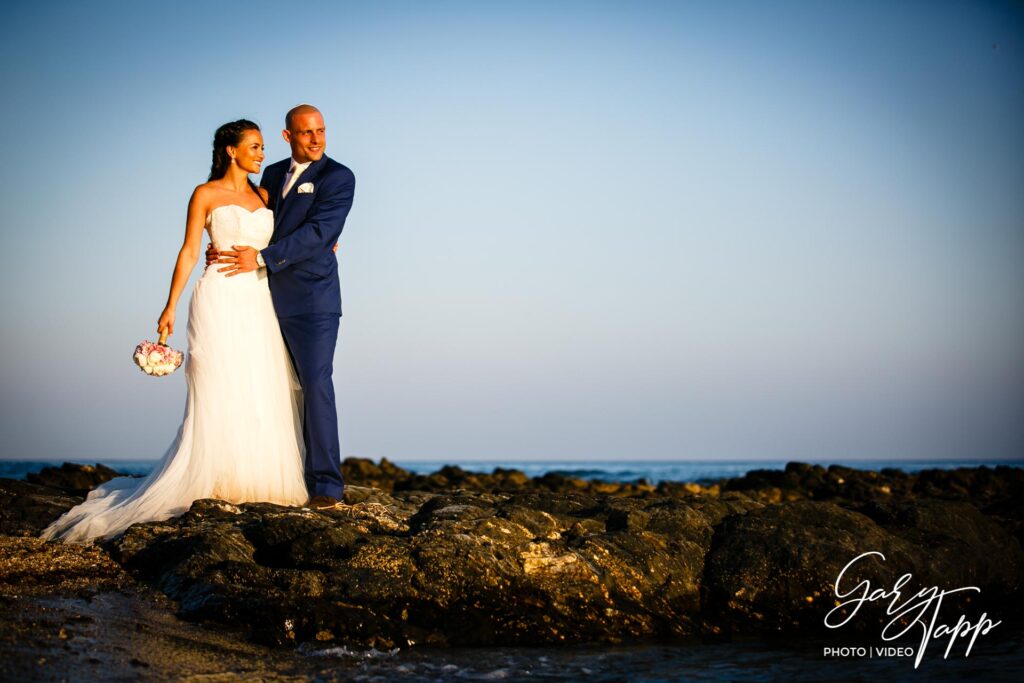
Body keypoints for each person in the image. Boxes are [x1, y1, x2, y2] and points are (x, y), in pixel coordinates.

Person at [42, 120, 309, 543]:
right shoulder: (204, 194)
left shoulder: (265, 194)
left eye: (261, 147)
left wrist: (326, 241)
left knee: (261, 383)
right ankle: (215, 476)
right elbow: (188, 249)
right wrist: (169, 305)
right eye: (254, 146)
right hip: (219, 295)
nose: (261, 154)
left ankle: (258, 478)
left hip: (259, 299)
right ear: (231, 151)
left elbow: (291, 235)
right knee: (218, 384)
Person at [210, 104, 355, 509]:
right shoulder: (271, 174)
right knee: (270, 388)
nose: (316, 139)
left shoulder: (339, 177)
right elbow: (250, 215)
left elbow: (319, 231)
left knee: (314, 384)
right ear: (287, 136)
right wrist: (220, 247)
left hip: (313, 300)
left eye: (321, 131)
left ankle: (326, 486)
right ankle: (276, 474)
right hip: (262, 298)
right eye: (306, 133)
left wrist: (260, 257)